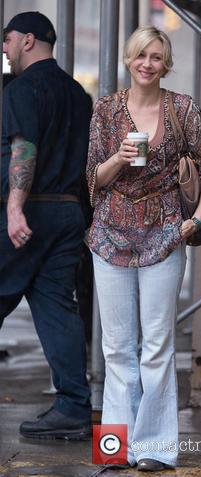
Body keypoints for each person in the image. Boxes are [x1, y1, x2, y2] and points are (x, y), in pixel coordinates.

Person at [86, 26, 201, 470]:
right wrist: (118, 159)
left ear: (165, 64)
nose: (147, 63)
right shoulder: (106, 110)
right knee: (116, 348)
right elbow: (92, 178)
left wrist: (197, 219)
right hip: (110, 235)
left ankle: (154, 450)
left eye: (156, 57)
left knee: (157, 346)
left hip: (165, 235)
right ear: (129, 59)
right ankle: (115, 450)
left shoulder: (183, 109)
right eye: (140, 55)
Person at [0, 11, 92, 439]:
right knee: (58, 308)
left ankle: (72, 406)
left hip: (29, 209)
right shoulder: (78, 94)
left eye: (8, 40)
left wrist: (15, 209)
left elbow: (25, 147)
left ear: (28, 40)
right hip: (68, 212)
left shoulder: (22, 88)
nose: (4, 49)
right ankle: (73, 408)